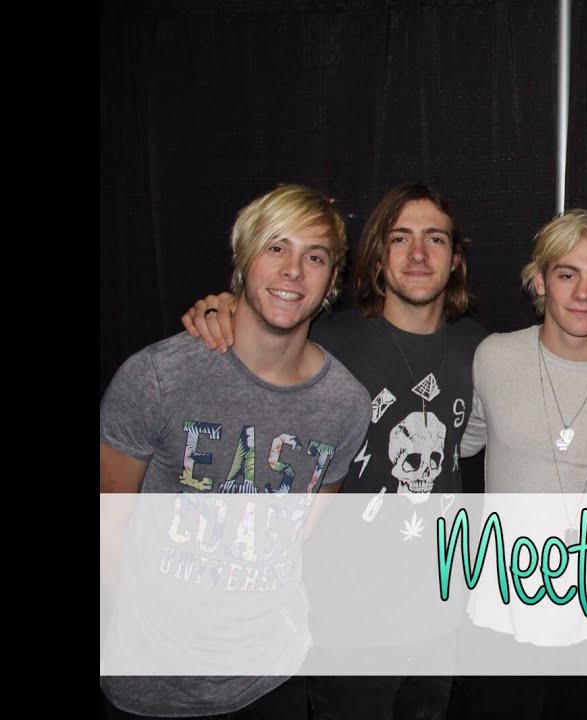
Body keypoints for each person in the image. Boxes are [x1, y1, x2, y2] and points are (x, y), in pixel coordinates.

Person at [180, 183, 486, 720]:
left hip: (440, 620)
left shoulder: (478, 349)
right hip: (344, 625)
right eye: (400, 238)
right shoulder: (322, 340)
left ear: (456, 258)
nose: (418, 254)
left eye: (435, 239)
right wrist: (222, 307)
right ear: (377, 256)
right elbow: (260, 324)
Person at [99, 183, 371, 718]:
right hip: (150, 685)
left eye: (314, 257)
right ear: (244, 259)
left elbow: (302, 531)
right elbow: (108, 526)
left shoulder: (347, 405)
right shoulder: (156, 378)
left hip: (271, 680)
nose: (293, 271)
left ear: (332, 278)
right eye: (276, 247)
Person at [453, 209, 587, 720]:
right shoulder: (493, 357)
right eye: (567, 274)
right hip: (499, 609)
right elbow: (461, 443)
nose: (583, 294)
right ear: (540, 281)